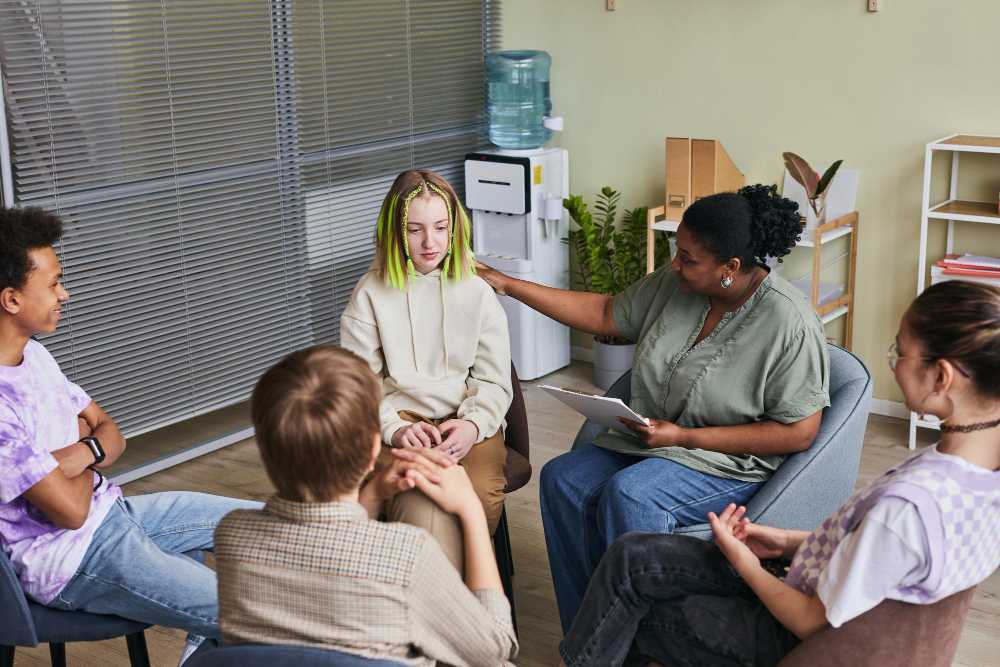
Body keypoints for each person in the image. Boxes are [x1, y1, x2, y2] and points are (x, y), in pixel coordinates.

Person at [558, 280, 1000, 667]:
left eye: (899, 352)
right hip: (809, 577)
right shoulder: (976, 479)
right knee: (631, 555)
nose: (894, 363)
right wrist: (786, 540)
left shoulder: (909, 507)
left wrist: (746, 562)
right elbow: (885, 559)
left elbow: (809, 621)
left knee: (632, 604)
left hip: (785, 630)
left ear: (941, 377)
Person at [477, 185, 830, 630]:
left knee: (633, 493)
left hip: (728, 462)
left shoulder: (788, 322)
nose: (675, 264)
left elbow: (799, 432)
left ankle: (649, 643)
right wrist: (507, 284)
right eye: (677, 252)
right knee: (563, 479)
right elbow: (608, 313)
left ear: (731, 267)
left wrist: (683, 437)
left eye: (688, 259)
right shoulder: (674, 283)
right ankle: (589, 638)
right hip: (653, 440)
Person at [0, 206, 260, 664]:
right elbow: (72, 512)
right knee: (254, 615)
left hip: (117, 512)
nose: (65, 294)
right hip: (72, 559)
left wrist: (75, 452)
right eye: (54, 284)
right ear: (12, 299)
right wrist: (88, 445)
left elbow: (111, 433)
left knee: (272, 524)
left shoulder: (36, 358)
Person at [214, 345, 518, 666]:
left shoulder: (232, 536)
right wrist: (470, 508)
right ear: (375, 447)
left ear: (263, 451)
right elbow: (492, 649)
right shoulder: (407, 556)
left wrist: (371, 497)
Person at [340, 169, 512, 571]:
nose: (430, 242)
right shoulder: (368, 295)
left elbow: (494, 380)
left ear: (455, 229)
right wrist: (394, 429)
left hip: (466, 420)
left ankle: (456, 586)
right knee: (421, 506)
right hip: (398, 422)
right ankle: (451, 590)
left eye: (440, 228)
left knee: (478, 495)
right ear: (395, 233)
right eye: (415, 230)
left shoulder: (478, 293)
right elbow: (358, 386)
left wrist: (472, 425)